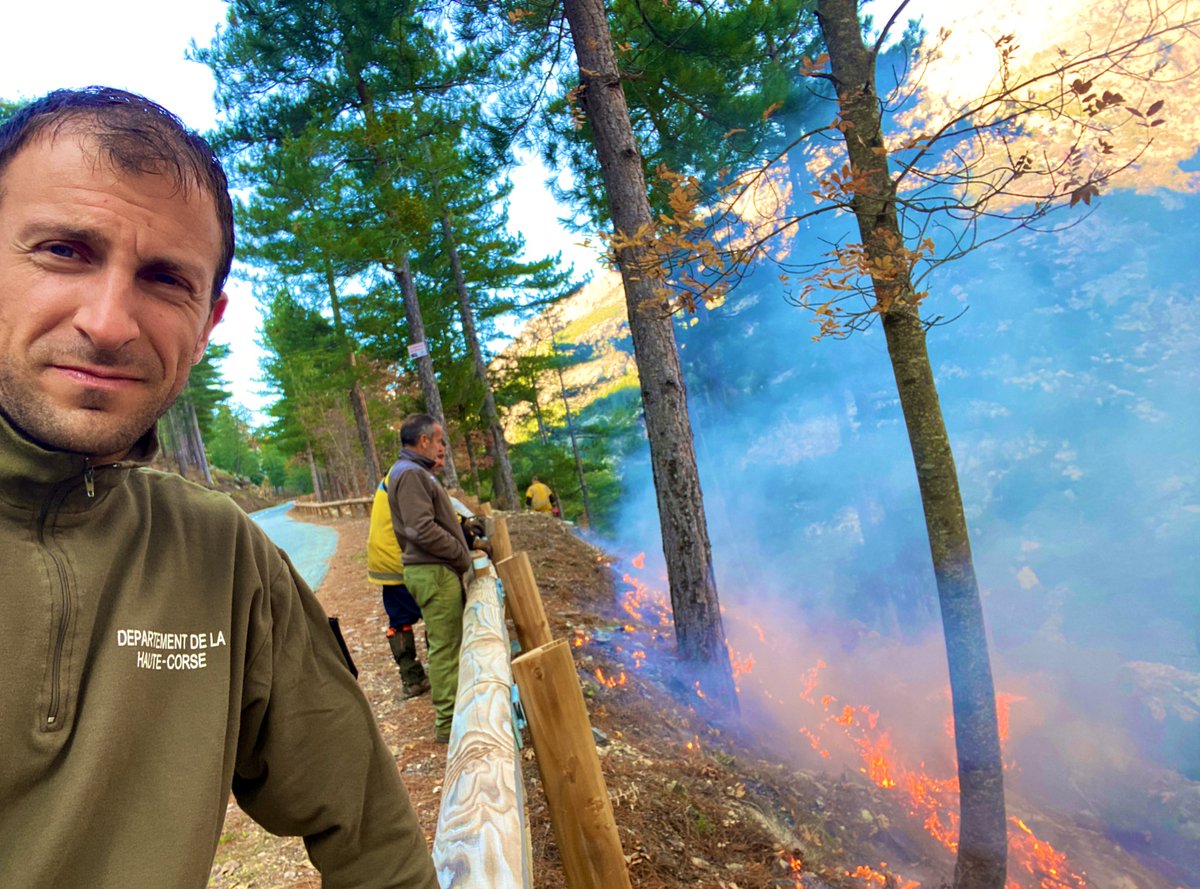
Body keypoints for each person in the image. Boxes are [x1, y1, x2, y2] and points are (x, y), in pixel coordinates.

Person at [0, 88, 437, 888]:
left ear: (207, 322)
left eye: (165, 278)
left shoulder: (221, 555)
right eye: (65, 250)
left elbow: (373, 836)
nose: (108, 321)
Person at [386, 414, 477, 744]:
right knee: (445, 648)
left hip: (432, 570)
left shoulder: (411, 472)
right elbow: (419, 528)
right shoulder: (410, 474)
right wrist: (458, 553)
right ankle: (449, 723)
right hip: (434, 571)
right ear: (423, 440)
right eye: (439, 441)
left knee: (446, 645)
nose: (442, 447)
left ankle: (452, 716)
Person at [367, 475, 430, 699]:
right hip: (401, 561)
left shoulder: (390, 478)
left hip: (383, 561)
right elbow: (426, 520)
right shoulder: (410, 477)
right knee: (437, 609)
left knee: (400, 619)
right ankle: (447, 669)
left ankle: (413, 679)